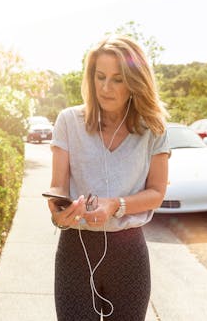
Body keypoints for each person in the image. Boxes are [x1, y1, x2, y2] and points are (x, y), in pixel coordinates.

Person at [46, 35, 170, 320]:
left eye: (117, 79)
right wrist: (57, 211)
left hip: (129, 256)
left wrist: (114, 205)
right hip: (75, 252)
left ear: (135, 81)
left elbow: (156, 192)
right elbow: (57, 186)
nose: (105, 87)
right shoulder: (68, 120)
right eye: (100, 76)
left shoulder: (154, 128)